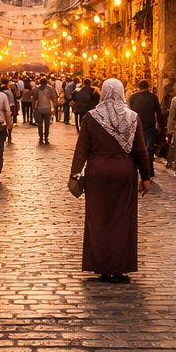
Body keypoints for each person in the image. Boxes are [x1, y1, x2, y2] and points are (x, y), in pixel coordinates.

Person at [69, 79, 154, 282]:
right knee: (122, 221)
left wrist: (74, 173)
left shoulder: (92, 117)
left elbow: (82, 149)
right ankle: (119, 268)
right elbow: (141, 151)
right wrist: (146, 177)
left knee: (98, 220)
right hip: (124, 173)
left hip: (97, 173)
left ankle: (102, 267)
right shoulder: (132, 117)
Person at [128, 80, 162, 158]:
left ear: (139, 87)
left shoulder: (133, 97)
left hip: (136, 125)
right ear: (148, 87)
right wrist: (159, 124)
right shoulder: (153, 97)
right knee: (149, 150)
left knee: (136, 149)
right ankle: (149, 167)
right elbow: (159, 113)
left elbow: (129, 111)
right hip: (149, 126)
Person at [32, 76, 57, 143]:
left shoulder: (36, 89)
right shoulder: (50, 89)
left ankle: (40, 136)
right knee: (47, 123)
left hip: (39, 108)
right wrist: (54, 107)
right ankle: (46, 136)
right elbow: (53, 98)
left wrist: (34, 108)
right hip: (48, 108)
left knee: (40, 124)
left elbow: (34, 98)